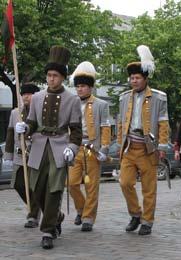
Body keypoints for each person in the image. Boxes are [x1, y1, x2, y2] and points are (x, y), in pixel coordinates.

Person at [15, 46, 82, 249]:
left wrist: (72, 147)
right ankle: (57, 216)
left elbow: (76, 131)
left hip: (59, 148)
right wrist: (25, 127)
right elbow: (32, 124)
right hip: (37, 147)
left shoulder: (72, 99)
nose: (51, 79)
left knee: (54, 191)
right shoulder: (36, 98)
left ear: (62, 77)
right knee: (35, 190)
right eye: (49, 75)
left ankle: (48, 231)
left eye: (55, 75)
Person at [117, 45, 169, 235]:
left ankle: (147, 221)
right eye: (131, 78)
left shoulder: (159, 97)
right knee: (124, 182)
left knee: (149, 187)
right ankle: (135, 214)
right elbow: (121, 123)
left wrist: (162, 146)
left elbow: (164, 122)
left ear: (145, 79)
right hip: (130, 147)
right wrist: (119, 144)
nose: (134, 81)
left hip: (148, 148)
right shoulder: (123, 98)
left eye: (137, 78)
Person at [69, 61, 111, 232]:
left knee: (91, 186)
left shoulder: (101, 104)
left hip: (92, 149)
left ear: (90, 88)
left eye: (83, 86)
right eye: (78, 86)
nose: (79, 89)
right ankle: (81, 209)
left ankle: (88, 218)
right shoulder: (71, 103)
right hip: (75, 148)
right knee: (71, 183)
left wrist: (104, 149)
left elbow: (106, 127)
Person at [4, 83, 41, 228]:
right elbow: (10, 133)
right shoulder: (15, 113)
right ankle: (37, 208)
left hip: (35, 154)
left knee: (35, 186)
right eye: (24, 94)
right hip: (20, 155)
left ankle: (33, 215)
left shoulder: (40, 112)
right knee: (18, 184)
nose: (26, 96)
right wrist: (8, 156)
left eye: (29, 94)